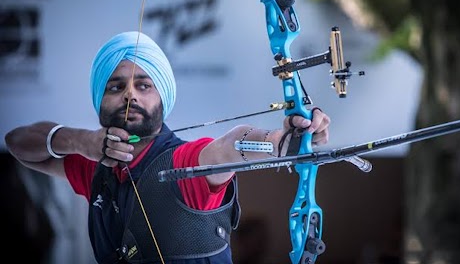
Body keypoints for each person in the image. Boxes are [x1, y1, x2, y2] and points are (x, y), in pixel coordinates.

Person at [4, 31, 331, 264]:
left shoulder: (184, 162)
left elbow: (232, 145)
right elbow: (16, 142)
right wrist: (79, 140)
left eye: (144, 85)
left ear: (163, 97)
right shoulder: (94, 166)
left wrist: (283, 140)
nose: (130, 95)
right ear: (99, 100)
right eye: (116, 86)